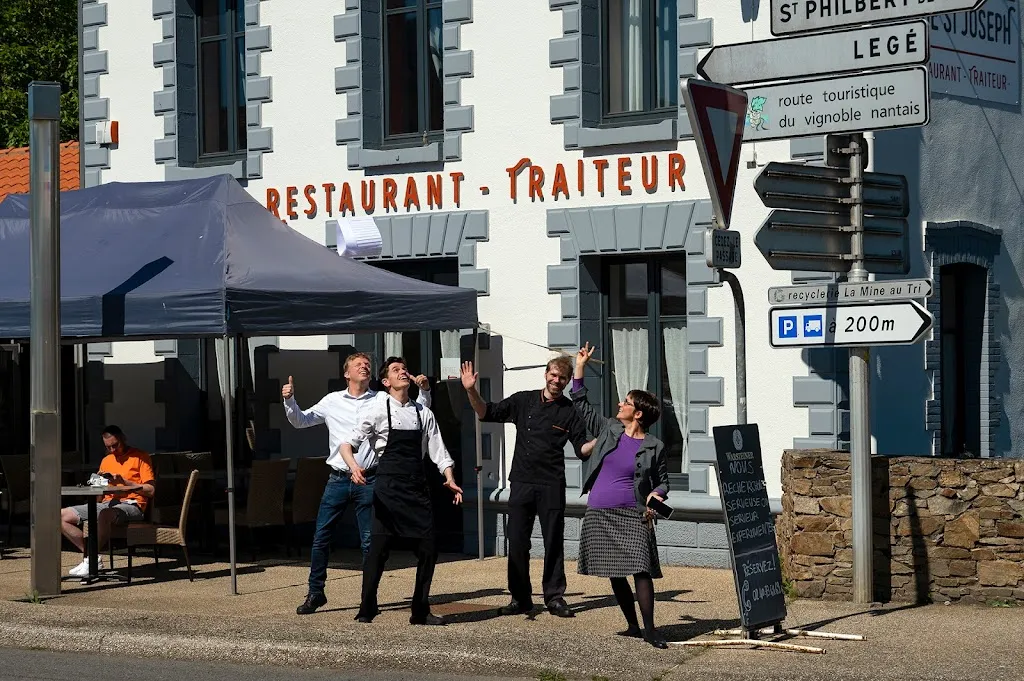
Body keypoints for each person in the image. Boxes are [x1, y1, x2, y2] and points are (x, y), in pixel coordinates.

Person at [283, 352, 433, 616]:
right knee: (321, 537)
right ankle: (315, 592)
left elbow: (416, 413)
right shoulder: (332, 401)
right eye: (358, 365)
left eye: (367, 365)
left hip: (370, 477)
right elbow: (301, 420)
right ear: (347, 373)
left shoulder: (381, 399)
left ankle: (368, 598)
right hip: (338, 478)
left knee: (369, 541)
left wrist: (424, 391)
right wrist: (289, 400)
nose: (364, 367)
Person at [460, 356, 588, 618]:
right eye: (553, 375)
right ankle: (520, 598)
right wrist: (471, 390)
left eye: (562, 378)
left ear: (566, 382)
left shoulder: (570, 411)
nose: (556, 381)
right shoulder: (523, 400)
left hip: (551, 484)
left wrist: (603, 441)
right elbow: (486, 413)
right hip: (521, 481)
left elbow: (581, 449)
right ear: (546, 374)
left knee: (553, 542)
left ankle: (554, 597)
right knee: (517, 541)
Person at [343, 356, 463, 626]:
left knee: (429, 549)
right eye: (396, 370)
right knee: (378, 551)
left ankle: (420, 611)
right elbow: (347, 444)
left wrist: (449, 477)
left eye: (404, 369)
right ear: (386, 382)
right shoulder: (376, 409)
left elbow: (439, 451)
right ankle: (367, 607)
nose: (403, 372)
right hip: (388, 489)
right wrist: (354, 467)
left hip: (416, 488)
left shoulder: (423, 412)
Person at [571, 342, 670, 649]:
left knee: (641, 568)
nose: (619, 404)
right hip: (600, 512)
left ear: (637, 413)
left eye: (625, 402)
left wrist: (657, 494)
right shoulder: (610, 429)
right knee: (615, 571)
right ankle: (632, 625)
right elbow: (582, 405)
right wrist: (580, 367)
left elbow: (663, 483)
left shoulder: (654, 446)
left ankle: (650, 629)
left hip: (634, 514)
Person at [60, 425, 155, 577]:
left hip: (132, 504)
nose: (112, 450)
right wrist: (97, 484)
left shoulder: (140, 457)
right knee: (60, 516)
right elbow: (100, 492)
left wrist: (125, 483)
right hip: (106, 503)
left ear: (123, 438)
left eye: (115, 445)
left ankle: (90, 559)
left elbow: (150, 490)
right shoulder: (107, 460)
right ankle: (91, 558)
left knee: (104, 514)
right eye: (108, 447)